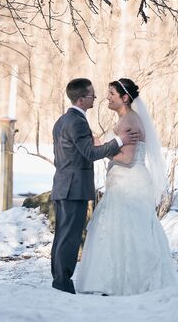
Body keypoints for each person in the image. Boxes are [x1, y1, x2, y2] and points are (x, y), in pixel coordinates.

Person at [75, 78, 178, 296]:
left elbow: (128, 159)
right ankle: (114, 280)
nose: (107, 98)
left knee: (128, 229)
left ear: (124, 98)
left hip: (128, 182)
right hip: (124, 181)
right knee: (119, 230)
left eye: (112, 94)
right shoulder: (126, 118)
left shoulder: (129, 121)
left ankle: (129, 282)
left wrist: (101, 148)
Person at [51, 78, 139, 294]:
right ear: (81, 99)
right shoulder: (77, 122)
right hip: (74, 188)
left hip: (64, 185)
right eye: (92, 95)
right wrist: (119, 141)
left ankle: (59, 282)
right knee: (69, 238)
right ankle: (63, 284)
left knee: (61, 237)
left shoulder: (62, 120)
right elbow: (89, 154)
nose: (96, 98)